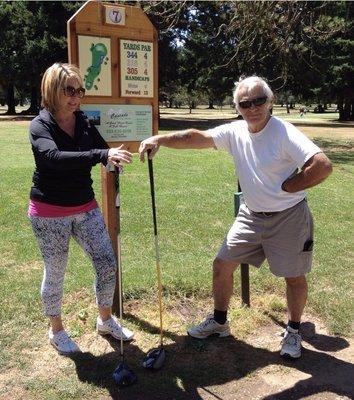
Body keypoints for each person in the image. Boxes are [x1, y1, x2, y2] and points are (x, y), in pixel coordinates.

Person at [139, 76, 332, 359]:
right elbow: (197, 137)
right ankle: (219, 322)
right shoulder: (236, 131)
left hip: (289, 217)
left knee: (293, 276)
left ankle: (293, 330)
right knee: (222, 264)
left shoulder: (284, 133)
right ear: (237, 107)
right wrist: (160, 139)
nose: (252, 107)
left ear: (270, 102)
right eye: (245, 103)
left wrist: (289, 187)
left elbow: (322, 166)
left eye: (259, 101)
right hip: (251, 215)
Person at [28, 63, 134, 356]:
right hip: (49, 212)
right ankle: (57, 330)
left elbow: (102, 152)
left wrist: (114, 160)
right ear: (52, 91)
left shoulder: (84, 122)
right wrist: (102, 153)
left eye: (79, 90)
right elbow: (54, 157)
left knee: (106, 262)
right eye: (69, 90)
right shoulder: (40, 125)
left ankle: (105, 320)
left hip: (85, 207)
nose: (76, 97)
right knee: (56, 272)